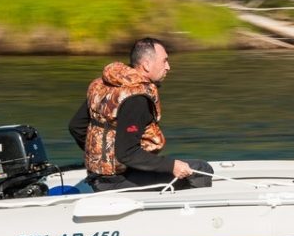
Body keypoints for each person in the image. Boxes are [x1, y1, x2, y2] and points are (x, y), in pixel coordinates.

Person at [69, 37, 213, 192]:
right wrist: (171, 166)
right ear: (146, 65)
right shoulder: (136, 99)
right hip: (115, 182)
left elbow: (76, 126)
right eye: (164, 61)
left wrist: (100, 158)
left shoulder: (103, 85)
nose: (168, 67)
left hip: (99, 176)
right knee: (201, 170)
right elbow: (127, 153)